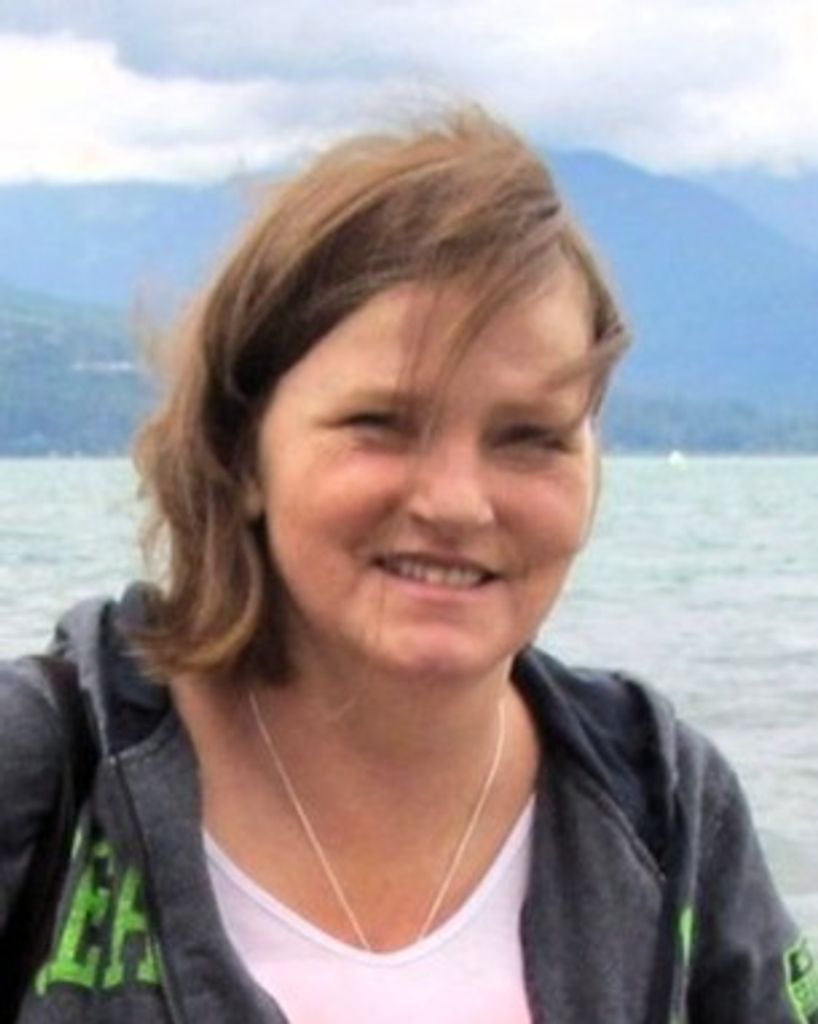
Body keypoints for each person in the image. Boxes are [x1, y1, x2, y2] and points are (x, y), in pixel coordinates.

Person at [0, 105, 814, 1024]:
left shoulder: (666, 811)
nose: (458, 502)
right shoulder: (41, 772)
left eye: (531, 437)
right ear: (241, 450)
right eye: (381, 424)